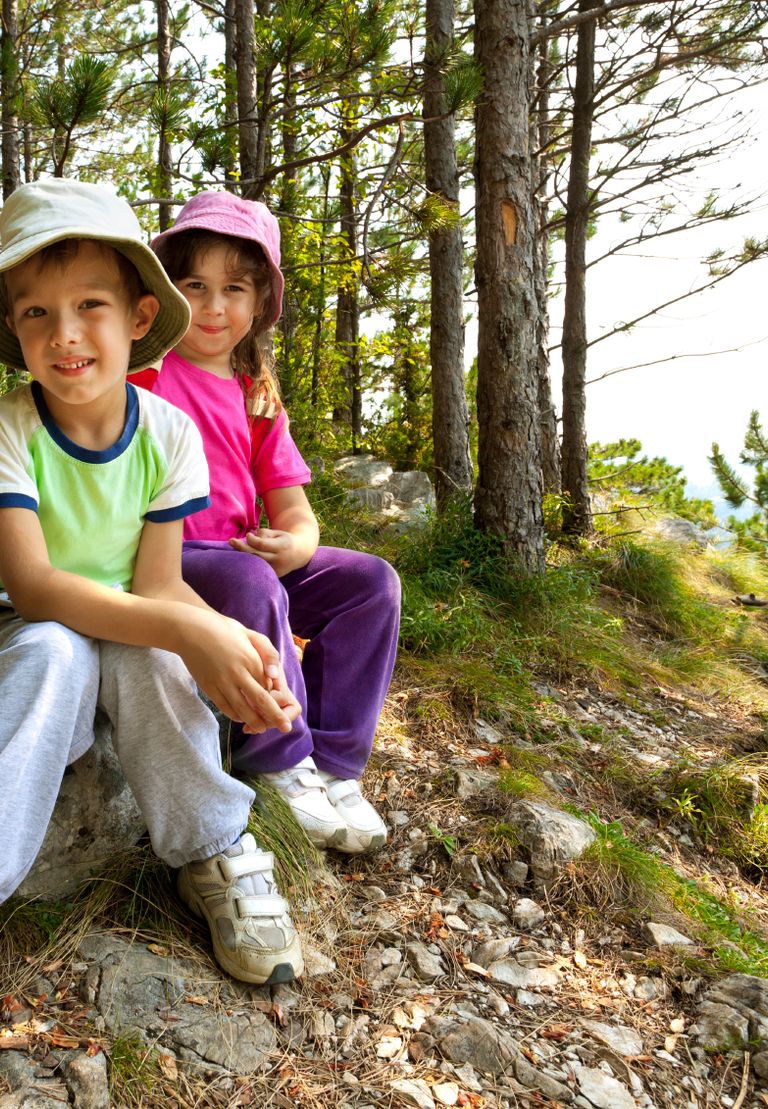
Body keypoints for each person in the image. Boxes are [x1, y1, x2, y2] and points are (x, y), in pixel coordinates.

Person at [0, 178, 305, 986]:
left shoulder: (167, 433)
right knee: (59, 654)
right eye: (36, 312)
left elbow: (160, 585)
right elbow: (33, 586)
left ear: (138, 318)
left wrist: (223, 640)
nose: (65, 335)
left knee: (156, 660)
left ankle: (212, 847)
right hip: (33, 636)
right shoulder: (12, 426)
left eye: (91, 305)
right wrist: (182, 625)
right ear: (14, 326)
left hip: (129, 628)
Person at [128, 190, 401, 853]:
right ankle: (278, 753)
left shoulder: (257, 396)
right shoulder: (149, 373)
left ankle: (335, 764)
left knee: (374, 583)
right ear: (165, 293)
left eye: (235, 289)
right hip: (177, 558)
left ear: (259, 304)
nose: (214, 306)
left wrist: (297, 542)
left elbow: (295, 509)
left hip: (250, 554)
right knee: (252, 581)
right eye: (194, 285)